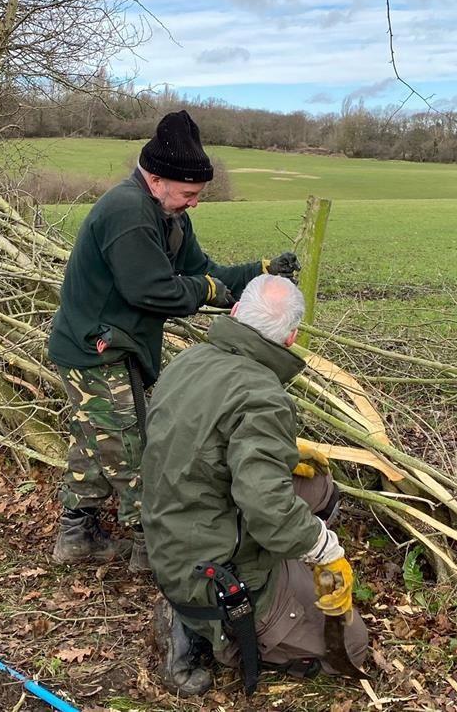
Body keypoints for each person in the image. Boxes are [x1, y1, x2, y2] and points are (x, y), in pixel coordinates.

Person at [47, 110, 301, 568]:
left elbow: (203, 272)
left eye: (198, 194)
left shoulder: (170, 216)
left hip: (116, 346)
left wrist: (260, 274)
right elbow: (152, 289)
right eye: (189, 193)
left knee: (96, 439)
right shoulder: (127, 210)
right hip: (95, 350)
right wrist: (206, 291)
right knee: (134, 450)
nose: (194, 202)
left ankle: (76, 536)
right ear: (158, 179)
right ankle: (154, 550)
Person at [141, 274, 369, 696]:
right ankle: (201, 628)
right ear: (291, 337)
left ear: (234, 313)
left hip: (169, 531)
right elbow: (266, 508)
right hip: (207, 573)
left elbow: (199, 445)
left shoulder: (188, 361)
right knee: (353, 648)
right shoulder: (262, 395)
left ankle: (283, 573)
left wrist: (286, 453)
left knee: (318, 485)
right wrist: (326, 553)